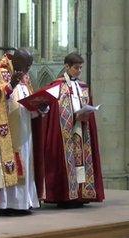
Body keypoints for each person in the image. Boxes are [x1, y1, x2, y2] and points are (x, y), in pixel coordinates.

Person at [0, 49, 44, 216]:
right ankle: (8, 205)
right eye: (25, 65)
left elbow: (28, 103)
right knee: (12, 165)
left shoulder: (25, 78)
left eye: (30, 65)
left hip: (25, 129)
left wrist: (41, 108)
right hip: (6, 133)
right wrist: (11, 85)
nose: (27, 69)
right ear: (15, 60)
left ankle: (24, 203)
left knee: (25, 165)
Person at [41, 52, 104, 207]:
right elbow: (50, 111)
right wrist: (72, 117)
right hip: (65, 133)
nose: (79, 71)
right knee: (67, 162)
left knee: (81, 161)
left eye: (81, 68)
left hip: (82, 131)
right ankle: (66, 196)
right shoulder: (56, 87)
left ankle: (81, 194)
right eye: (76, 68)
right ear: (67, 66)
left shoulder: (83, 87)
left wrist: (86, 114)